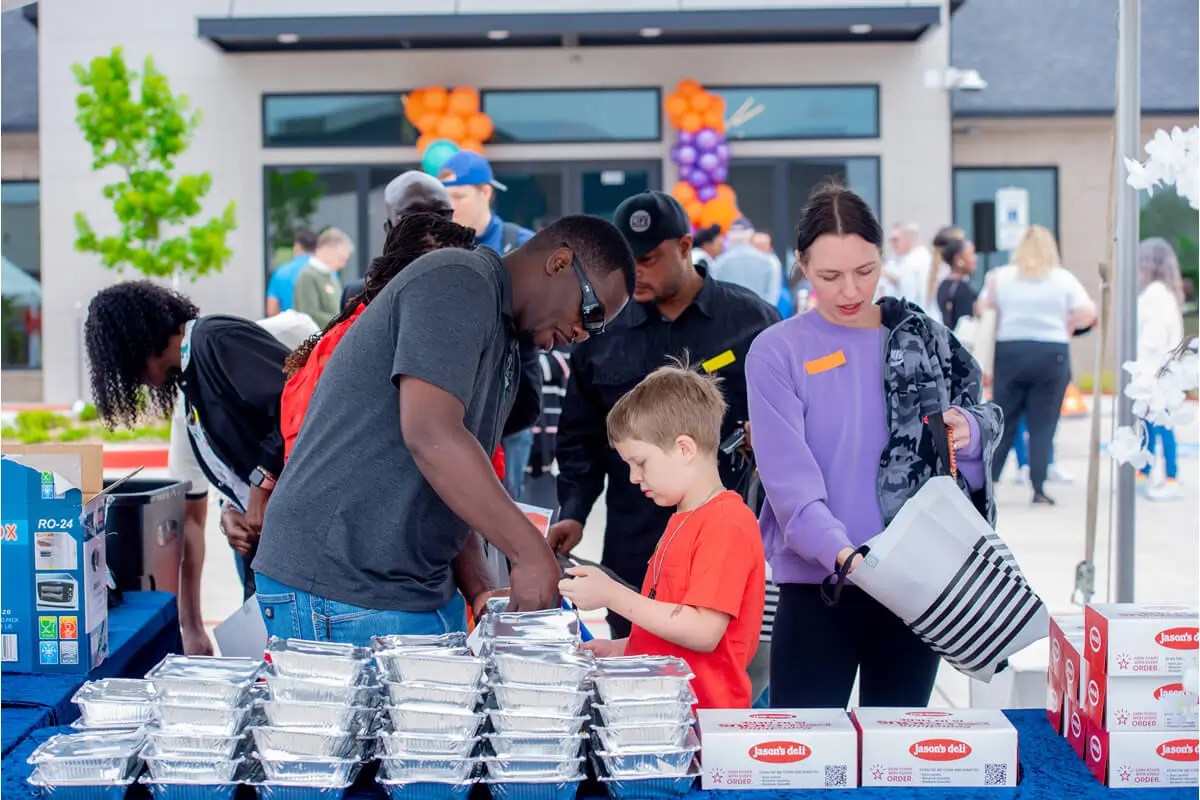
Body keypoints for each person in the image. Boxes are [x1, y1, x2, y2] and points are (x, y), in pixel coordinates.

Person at [251, 216, 635, 644]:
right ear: (560, 262)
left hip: (412, 589)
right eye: (591, 311)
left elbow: (455, 479)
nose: (584, 333)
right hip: (341, 587)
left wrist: (481, 590)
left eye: (598, 328)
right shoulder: (458, 278)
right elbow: (432, 436)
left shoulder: (506, 338)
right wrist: (530, 553)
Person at [745, 184, 1001, 710]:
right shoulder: (777, 351)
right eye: (829, 276)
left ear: (882, 258)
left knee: (900, 764)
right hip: (819, 586)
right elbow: (790, 483)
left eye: (865, 271)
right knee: (807, 761)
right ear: (801, 265)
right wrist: (847, 559)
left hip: (915, 584)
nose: (849, 290)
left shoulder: (925, 341)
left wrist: (965, 431)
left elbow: (975, 445)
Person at [549, 191, 779, 639]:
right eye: (627, 262)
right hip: (634, 539)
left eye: (650, 259)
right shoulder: (603, 331)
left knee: (733, 677)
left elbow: (788, 423)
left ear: (686, 247)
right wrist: (573, 511)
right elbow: (580, 437)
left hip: (726, 537)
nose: (637, 274)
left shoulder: (752, 322)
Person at [559, 365, 765, 710]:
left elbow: (702, 631)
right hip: (667, 716)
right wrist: (625, 647)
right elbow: (671, 622)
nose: (634, 477)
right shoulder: (682, 519)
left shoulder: (726, 523)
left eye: (640, 462)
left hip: (702, 722)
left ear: (685, 449)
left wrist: (611, 595)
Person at [85, 282, 291, 599]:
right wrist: (231, 510)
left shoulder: (214, 338)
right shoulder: (191, 376)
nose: (133, 380)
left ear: (135, 345)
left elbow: (295, 404)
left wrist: (261, 484)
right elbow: (240, 459)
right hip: (273, 550)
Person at [440, 151, 540, 497]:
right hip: (453, 394)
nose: (450, 206)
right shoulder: (439, 248)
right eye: (444, 197)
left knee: (505, 499)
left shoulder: (523, 245)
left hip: (508, 395)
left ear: (487, 192)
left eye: (459, 196)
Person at [980, 224, 1096, 505]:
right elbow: (1088, 313)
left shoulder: (1001, 277)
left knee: (1004, 421)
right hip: (1051, 352)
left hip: (1011, 351)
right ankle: (1039, 487)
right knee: (1043, 424)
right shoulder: (1063, 279)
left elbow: (982, 307)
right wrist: (1068, 323)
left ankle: (989, 481)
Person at [340, 172, 456, 308]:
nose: (429, 224)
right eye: (412, 217)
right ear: (389, 228)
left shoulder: (476, 285)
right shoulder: (359, 296)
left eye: (441, 214)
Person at [1137, 237, 1186, 501]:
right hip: (1159, 372)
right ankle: (1149, 474)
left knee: (1159, 425)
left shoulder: (1155, 295)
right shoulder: (1164, 293)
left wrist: (1142, 375)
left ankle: (1168, 476)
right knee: (1154, 424)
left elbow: (1152, 341)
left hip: (1154, 372)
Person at [712, 218, 782, 306]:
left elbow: (714, 295)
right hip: (760, 315)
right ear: (750, 235)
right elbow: (772, 297)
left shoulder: (719, 263)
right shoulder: (769, 262)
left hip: (729, 316)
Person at [294, 228, 354, 327]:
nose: (343, 264)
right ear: (326, 250)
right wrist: (343, 322)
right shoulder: (308, 275)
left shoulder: (331, 275)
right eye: (341, 258)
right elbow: (309, 314)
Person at [882, 222, 934, 314]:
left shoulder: (918, 260)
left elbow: (910, 293)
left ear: (907, 239)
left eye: (896, 240)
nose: (893, 244)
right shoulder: (896, 260)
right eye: (891, 240)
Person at [266, 228, 318, 316]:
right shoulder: (325, 271)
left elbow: (271, 310)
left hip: (288, 326)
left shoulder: (281, 272)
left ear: (297, 246)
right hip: (320, 327)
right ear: (317, 248)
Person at [936, 236, 979, 331]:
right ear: (959, 259)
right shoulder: (962, 288)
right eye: (971, 254)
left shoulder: (943, 285)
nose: (975, 259)